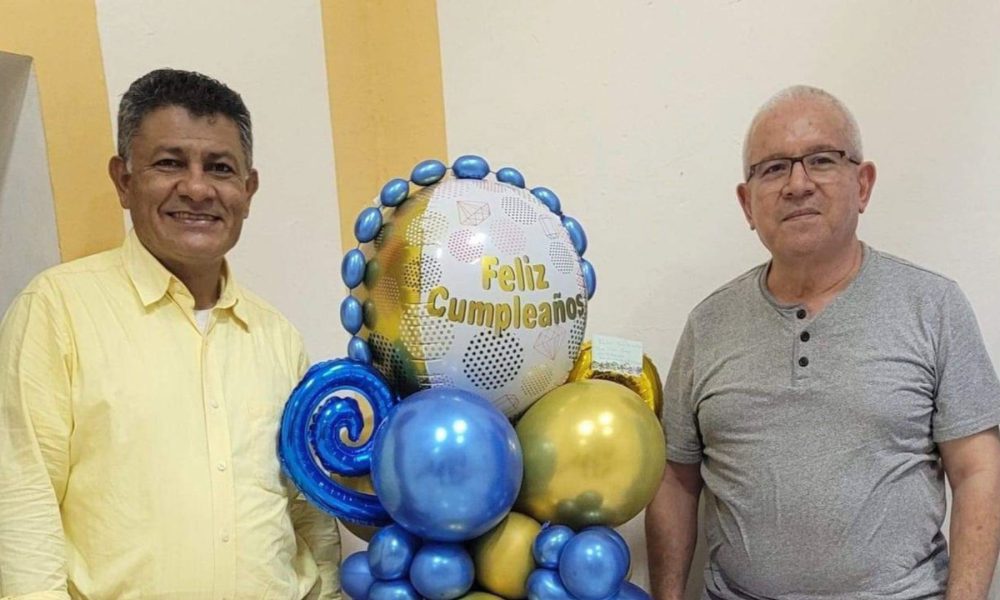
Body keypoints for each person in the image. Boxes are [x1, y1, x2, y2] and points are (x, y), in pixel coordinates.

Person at [645, 85, 1000, 600]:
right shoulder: (708, 324)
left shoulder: (934, 306)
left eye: (822, 160)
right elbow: (675, 480)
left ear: (864, 184)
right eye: (773, 169)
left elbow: (978, 471)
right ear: (747, 204)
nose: (798, 184)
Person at [0, 69, 341, 599]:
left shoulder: (277, 339)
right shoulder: (57, 310)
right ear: (123, 179)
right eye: (169, 163)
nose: (198, 188)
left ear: (248, 190)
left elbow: (308, 513)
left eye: (220, 168)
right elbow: (21, 498)